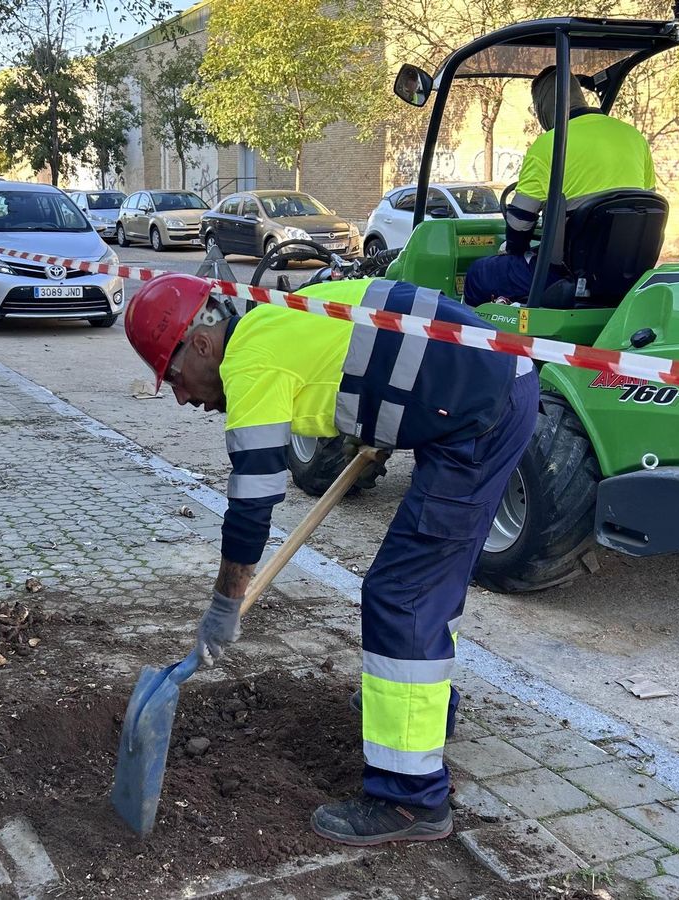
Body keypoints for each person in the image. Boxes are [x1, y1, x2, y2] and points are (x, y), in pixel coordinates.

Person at [124, 272, 539, 846]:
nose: (182, 395)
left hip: (480, 414)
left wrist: (225, 604)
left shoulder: (249, 361)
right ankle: (420, 711)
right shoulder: (274, 315)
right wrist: (388, 415)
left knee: (404, 595)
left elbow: (252, 505)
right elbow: (380, 334)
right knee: (425, 583)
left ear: (200, 344)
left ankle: (410, 798)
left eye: (173, 376)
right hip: (487, 386)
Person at [464, 66, 656, 305]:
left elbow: (520, 222)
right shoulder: (634, 137)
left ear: (544, 105)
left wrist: (515, 248)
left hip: (567, 274)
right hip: (626, 273)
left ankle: (472, 341)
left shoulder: (549, 145)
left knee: (480, 274)